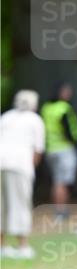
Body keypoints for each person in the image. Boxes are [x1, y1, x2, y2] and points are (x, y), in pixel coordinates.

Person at [0, 90, 46, 259]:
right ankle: (23, 246)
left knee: (2, 205)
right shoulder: (35, 120)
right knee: (21, 204)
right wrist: (31, 167)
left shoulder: (5, 117)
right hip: (20, 165)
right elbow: (38, 150)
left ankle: (2, 246)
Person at [40, 82, 77, 219]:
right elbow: (70, 131)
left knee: (57, 181)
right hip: (64, 149)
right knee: (63, 181)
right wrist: (76, 141)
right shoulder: (64, 108)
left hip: (50, 149)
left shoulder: (46, 108)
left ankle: (59, 209)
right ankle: (61, 210)